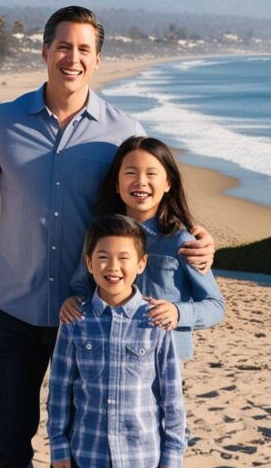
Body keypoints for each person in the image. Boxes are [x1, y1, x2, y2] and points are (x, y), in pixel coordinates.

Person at [0, 5, 214, 468]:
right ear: (44, 52)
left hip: (91, 317)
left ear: (97, 59)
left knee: (74, 450)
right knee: (7, 443)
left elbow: (148, 195)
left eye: (83, 49)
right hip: (14, 309)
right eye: (62, 46)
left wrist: (199, 235)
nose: (71, 58)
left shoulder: (123, 129)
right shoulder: (1, 122)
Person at [47, 215, 185, 468]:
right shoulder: (75, 319)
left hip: (143, 455)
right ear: (89, 263)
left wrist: (173, 451)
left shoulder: (155, 320)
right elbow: (59, 389)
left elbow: (171, 394)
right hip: (87, 453)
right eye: (103, 257)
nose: (113, 267)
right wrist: (59, 445)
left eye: (124, 258)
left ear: (141, 264)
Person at [60, 136, 225, 361]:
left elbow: (215, 306)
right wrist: (75, 301)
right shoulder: (100, 233)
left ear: (168, 183)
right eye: (130, 173)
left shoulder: (182, 242)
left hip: (163, 360)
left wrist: (178, 312)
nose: (140, 181)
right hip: (107, 354)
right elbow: (81, 285)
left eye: (151, 173)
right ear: (117, 184)